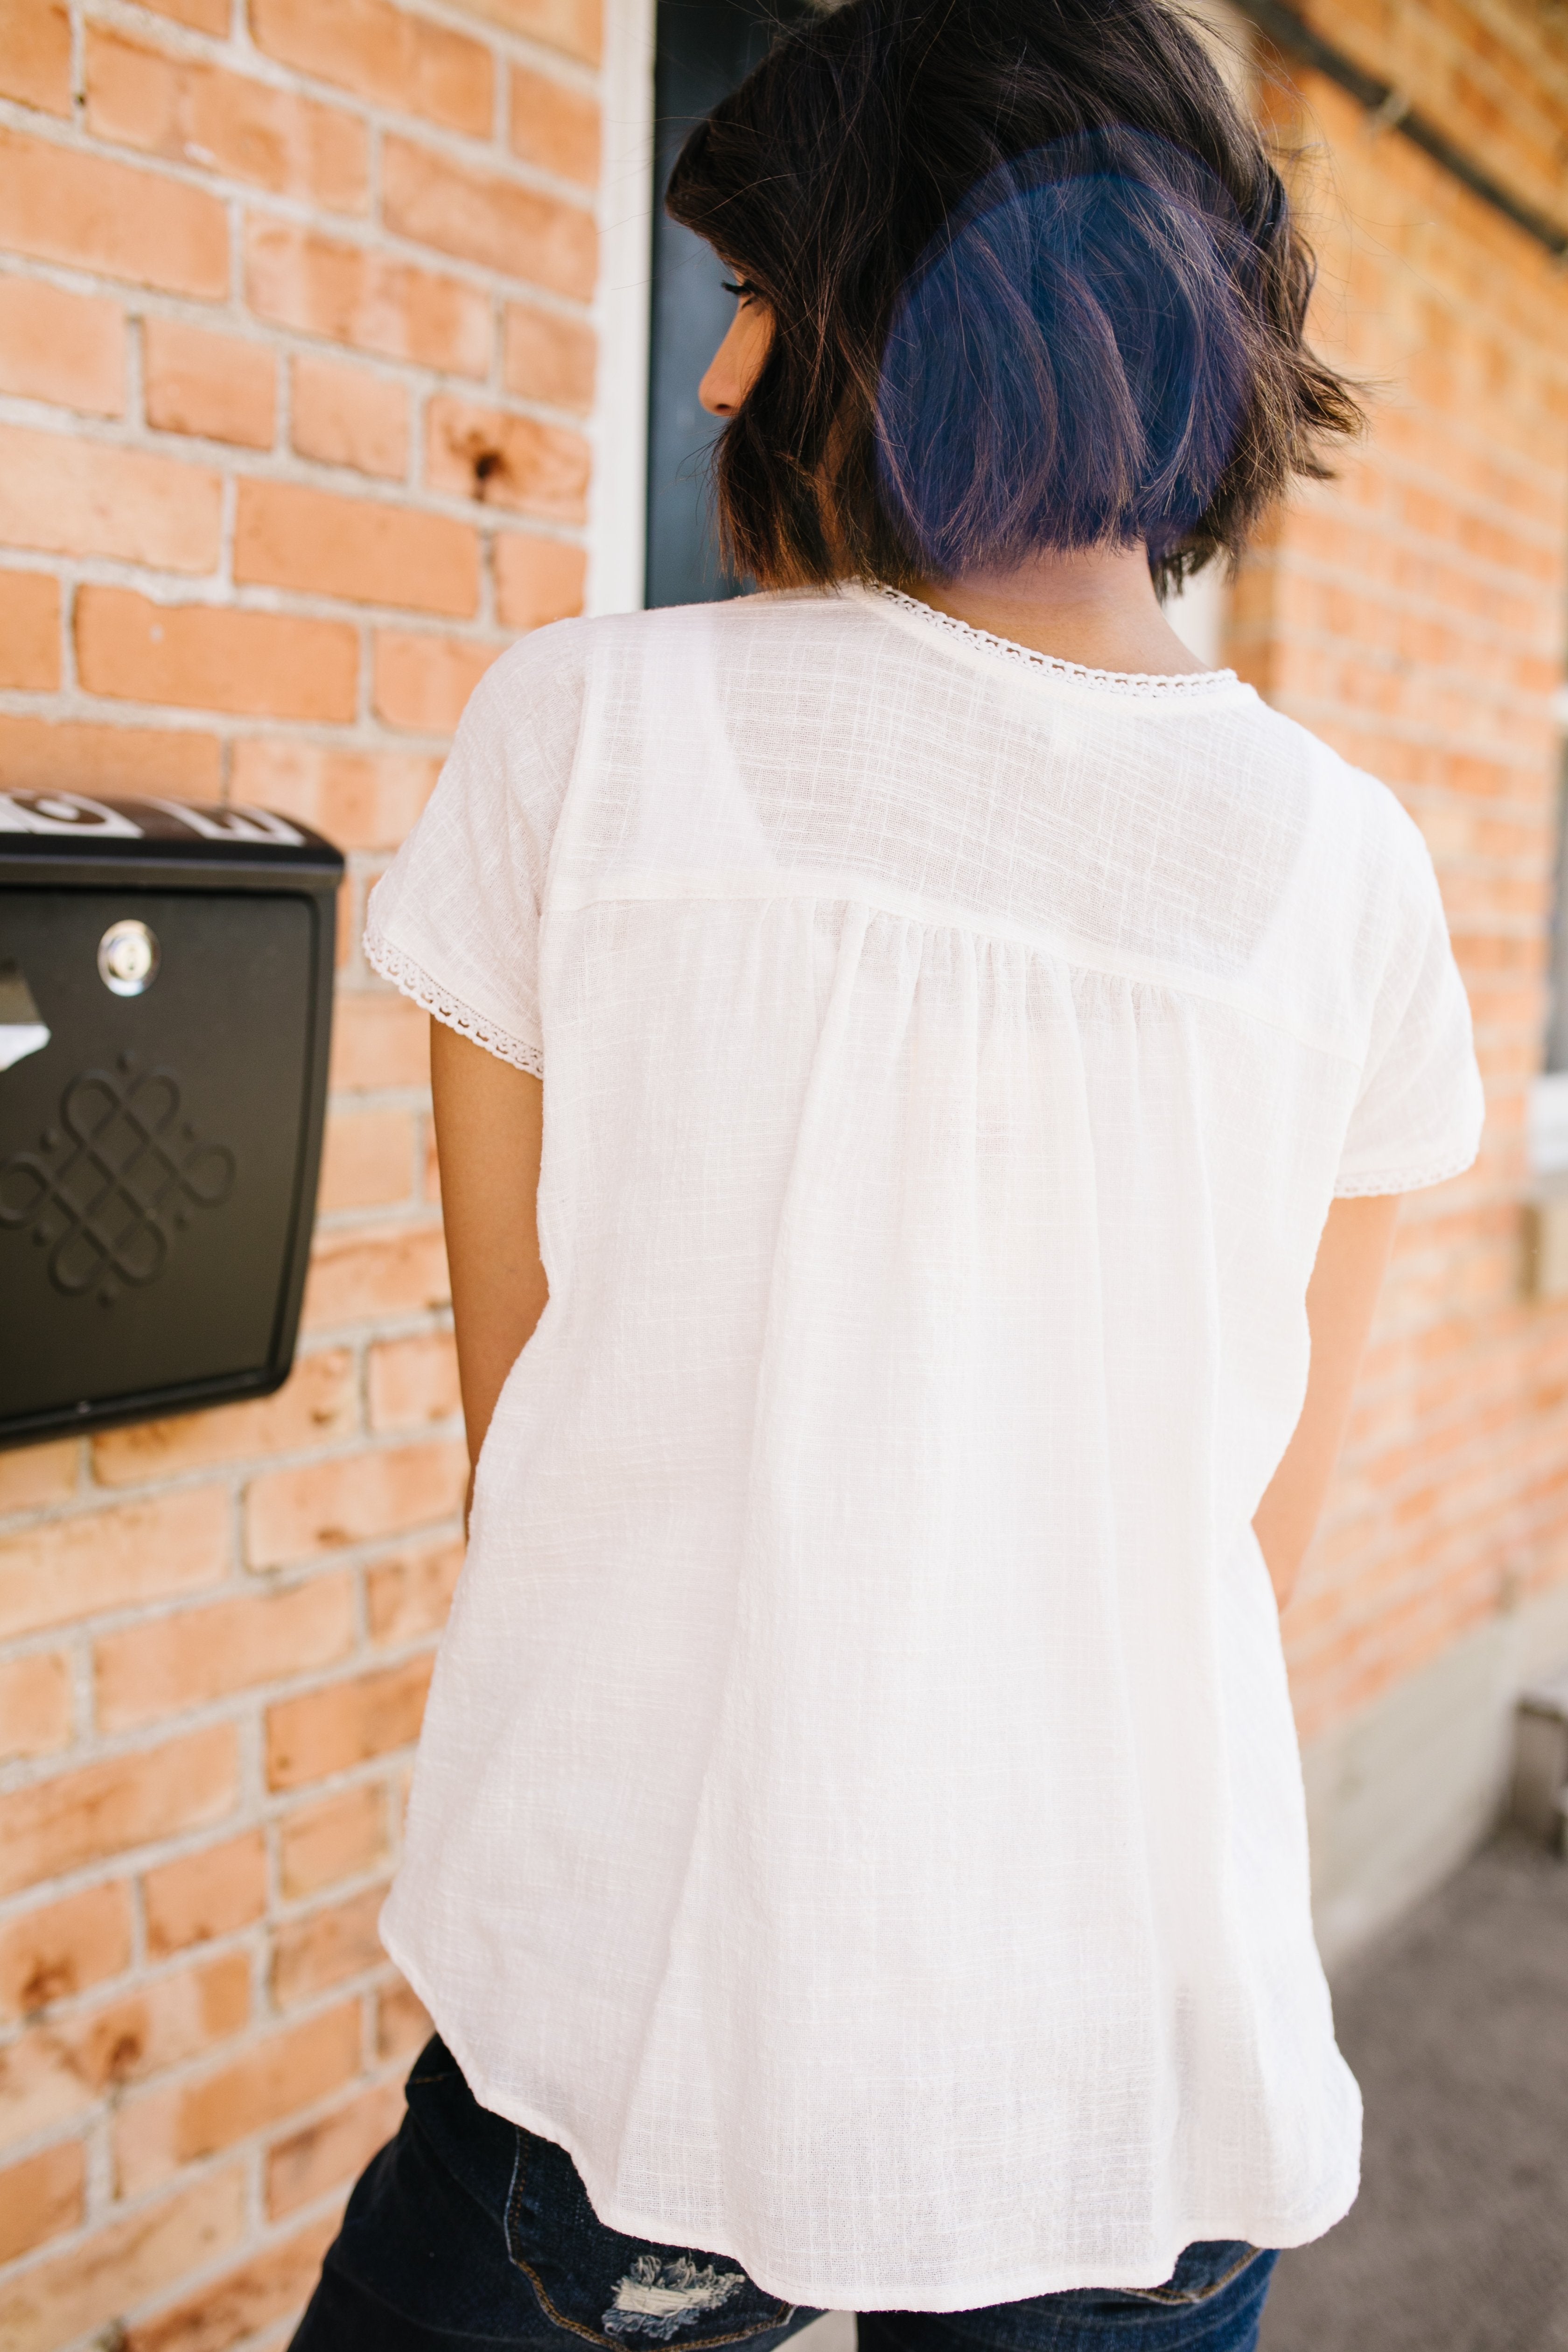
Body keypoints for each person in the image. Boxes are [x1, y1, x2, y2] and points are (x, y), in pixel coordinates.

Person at [288, 2, 1484, 2347]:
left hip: (664, 2018)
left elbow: (534, 1463)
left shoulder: (587, 744)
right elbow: (1245, 1547)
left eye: (759, 295)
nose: (720, 381)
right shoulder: (1349, 875)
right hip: (1126, 2047)